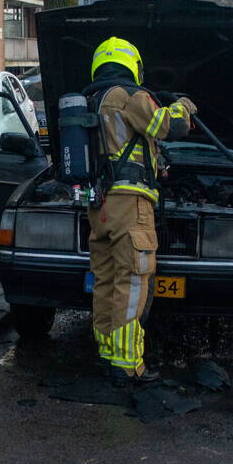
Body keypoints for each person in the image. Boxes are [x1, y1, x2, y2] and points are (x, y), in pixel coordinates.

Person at [84, 37, 197, 383]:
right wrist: (184, 106)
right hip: (131, 203)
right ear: (131, 64)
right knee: (132, 281)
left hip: (99, 205)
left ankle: (107, 355)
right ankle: (128, 364)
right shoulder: (128, 95)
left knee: (105, 281)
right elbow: (168, 126)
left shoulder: (91, 99)